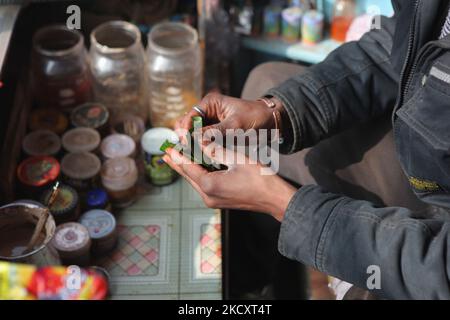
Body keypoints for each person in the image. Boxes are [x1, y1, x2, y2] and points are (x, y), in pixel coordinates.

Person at [163, 0, 450, 299]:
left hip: (435, 256)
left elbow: (438, 270)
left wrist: (283, 205)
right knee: (265, 82)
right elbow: (399, 44)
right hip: (426, 159)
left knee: (363, 292)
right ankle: (261, 283)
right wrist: (276, 112)